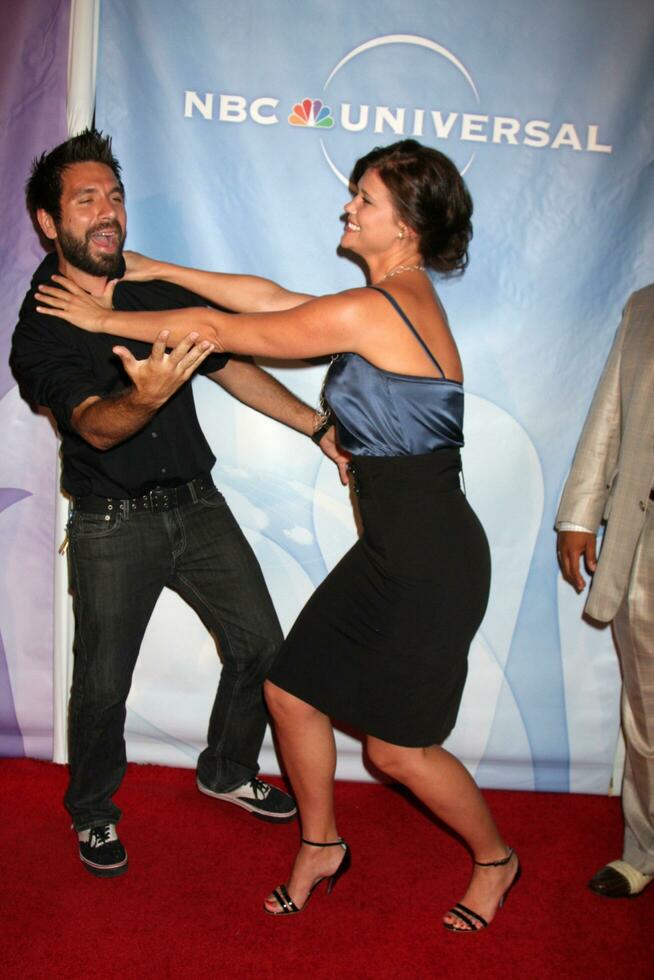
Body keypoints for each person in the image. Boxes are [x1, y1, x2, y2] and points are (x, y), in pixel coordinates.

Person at [34, 138, 520, 931]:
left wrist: (108, 311)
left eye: (364, 198)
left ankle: (498, 861)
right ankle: (321, 844)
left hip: (432, 559)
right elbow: (265, 295)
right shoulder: (388, 296)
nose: (348, 207)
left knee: (397, 751)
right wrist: (162, 264)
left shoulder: (379, 306)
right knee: (290, 691)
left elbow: (222, 330)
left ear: (404, 226)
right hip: (392, 551)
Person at [11, 129, 348, 879]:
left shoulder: (149, 285)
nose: (108, 212)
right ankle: (93, 811)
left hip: (198, 503)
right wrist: (144, 397)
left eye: (116, 196)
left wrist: (316, 425)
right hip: (111, 523)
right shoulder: (38, 329)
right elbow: (94, 427)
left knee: (262, 646)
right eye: (86, 199)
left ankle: (226, 767)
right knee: (102, 687)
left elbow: (230, 364)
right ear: (48, 221)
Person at [556, 286, 654, 899]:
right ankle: (643, 846)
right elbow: (611, 416)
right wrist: (579, 515)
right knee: (646, 713)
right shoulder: (645, 307)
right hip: (646, 548)